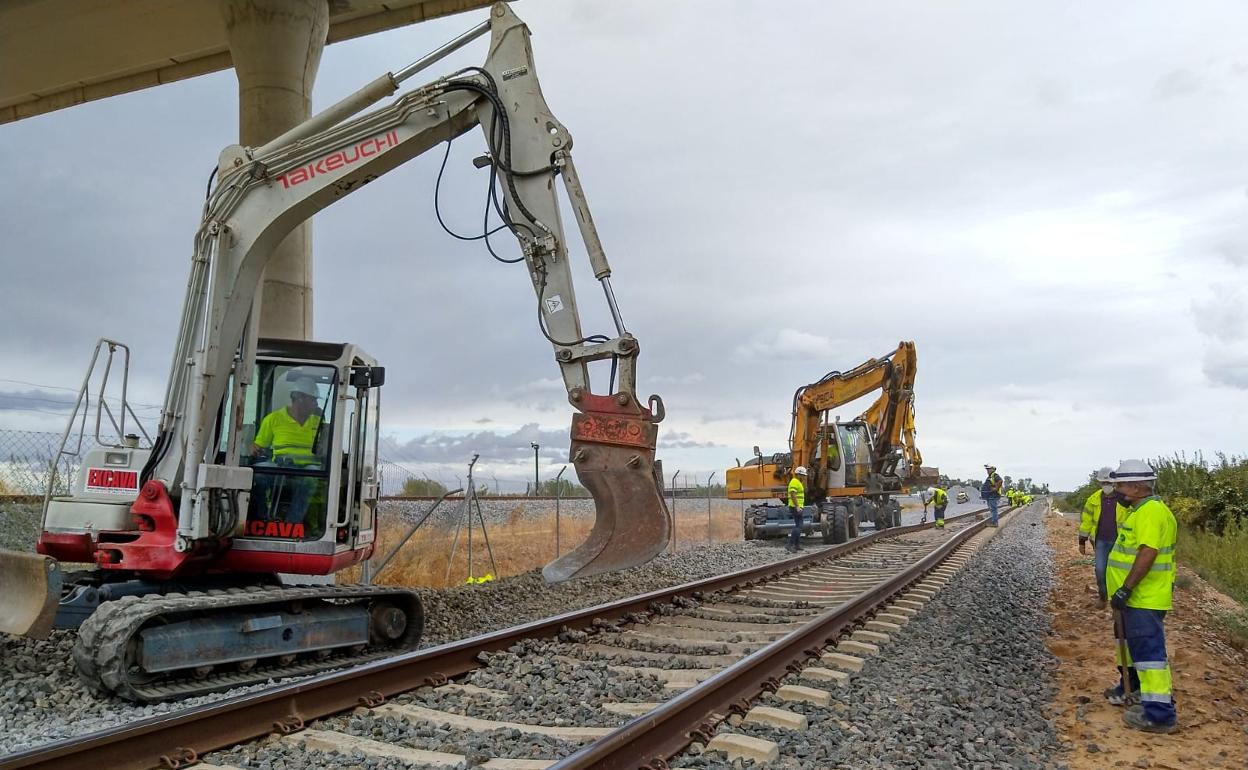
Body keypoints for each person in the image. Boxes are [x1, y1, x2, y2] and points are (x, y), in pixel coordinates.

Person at [1104, 459, 1178, 733]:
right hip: (1135, 598)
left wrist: (1127, 588)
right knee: (1133, 651)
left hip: (1144, 598)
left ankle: (1159, 714)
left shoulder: (1151, 512)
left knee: (1150, 656)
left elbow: (1148, 552)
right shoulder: (1139, 510)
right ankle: (1134, 690)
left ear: (1136, 486)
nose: (1118, 491)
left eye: (1121, 485)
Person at [251, 383, 324, 524]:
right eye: (313, 399)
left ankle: (292, 523)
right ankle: (262, 518)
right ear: (300, 398)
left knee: (311, 477)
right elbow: (258, 446)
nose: (316, 404)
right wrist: (254, 449)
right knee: (259, 475)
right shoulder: (273, 419)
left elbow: (325, 446)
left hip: (309, 468)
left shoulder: (318, 422)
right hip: (280, 466)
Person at [1080, 467, 1129, 604]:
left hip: (1120, 542)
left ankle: (1117, 598)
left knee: (1118, 571)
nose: (1106, 486)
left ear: (1114, 483)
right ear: (1100, 483)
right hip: (1100, 541)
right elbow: (1086, 521)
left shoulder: (1125, 500)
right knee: (1100, 570)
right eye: (1104, 483)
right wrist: (1081, 541)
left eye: (1109, 483)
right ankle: (1103, 596)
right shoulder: (1093, 499)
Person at [786, 466, 808, 553]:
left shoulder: (798, 482)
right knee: (799, 526)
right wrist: (797, 506)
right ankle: (790, 545)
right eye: (802, 475)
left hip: (797, 506)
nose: (804, 477)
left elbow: (803, 491)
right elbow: (793, 494)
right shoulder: (794, 482)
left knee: (799, 525)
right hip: (795, 507)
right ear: (798, 474)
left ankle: (797, 545)